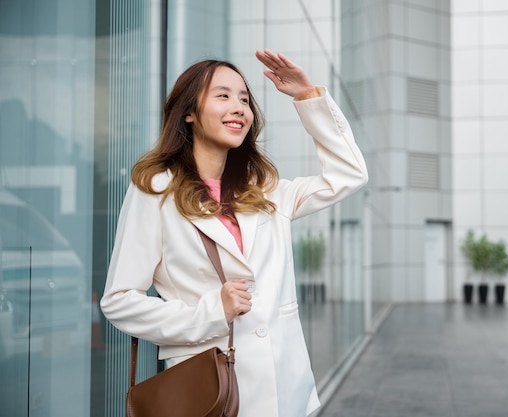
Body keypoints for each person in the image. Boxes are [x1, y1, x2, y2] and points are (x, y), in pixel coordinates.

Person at [100, 49, 368, 416]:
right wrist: (212, 312)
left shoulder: (266, 191)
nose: (239, 107)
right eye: (223, 96)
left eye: (244, 99)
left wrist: (308, 97)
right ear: (189, 113)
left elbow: (349, 175)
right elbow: (119, 301)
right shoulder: (156, 189)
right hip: (210, 393)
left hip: (284, 389)